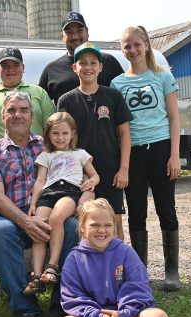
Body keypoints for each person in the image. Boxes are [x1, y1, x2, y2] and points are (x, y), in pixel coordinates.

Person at [0, 91, 79, 317]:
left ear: (32, 115)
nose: (17, 115)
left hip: (50, 213)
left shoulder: (48, 146)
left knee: (73, 227)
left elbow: (73, 174)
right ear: (3, 116)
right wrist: (26, 221)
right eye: (11, 110)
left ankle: (61, 308)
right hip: (12, 217)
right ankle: (27, 311)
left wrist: (86, 193)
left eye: (23, 110)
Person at [110, 26, 181, 291]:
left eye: (137, 44)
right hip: (134, 151)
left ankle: (172, 271)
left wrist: (175, 156)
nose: (132, 50)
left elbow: (174, 118)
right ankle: (140, 271)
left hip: (161, 148)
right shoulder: (118, 83)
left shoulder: (163, 76)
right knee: (137, 211)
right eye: (127, 46)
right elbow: (120, 127)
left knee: (166, 208)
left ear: (147, 45)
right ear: (122, 49)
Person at [54, 198, 169, 317]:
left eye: (108, 225)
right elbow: (73, 297)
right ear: (82, 227)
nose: (102, 230)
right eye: (94, 225)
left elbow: (137, 286)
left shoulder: (126, 252)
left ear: (114, 227)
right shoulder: (73, 259)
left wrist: (124, 315)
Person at [57, 42, 132, 241]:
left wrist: (123, 169)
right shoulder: (66, 100)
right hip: (79, 174)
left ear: (100, 67)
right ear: (75, 68)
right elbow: (62, 140)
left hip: (110, 171)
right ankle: (86, 269)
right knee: (83, 224)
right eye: (82, 63)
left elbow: (125, 134)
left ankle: (117, 270)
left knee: (113, 223)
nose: (88, 67)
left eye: (93, 63)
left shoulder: (113, 96)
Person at [23, 112, 99, 296]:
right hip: (49, 192)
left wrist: (91, 182)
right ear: (48, 134)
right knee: (39, 227)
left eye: (65, 133)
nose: (60, 138)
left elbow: (95, 174)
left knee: (56, 218)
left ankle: (53, 266)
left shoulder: (81, 154)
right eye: (55, 133)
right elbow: (40, 181)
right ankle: (37, 276)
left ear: (72, 133)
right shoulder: (46, 155)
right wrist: (33, 203)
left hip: (70, 192)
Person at [39, 11, 124, 105]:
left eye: (79, 30)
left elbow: (126, 93)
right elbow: (40, 107)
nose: (75, 36)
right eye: (69, 32)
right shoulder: (51, 70)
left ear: (87, 32)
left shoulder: (109, 61)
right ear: (62, 36)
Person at [0, 46, 55, 143]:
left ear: (23, 67)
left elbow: (52, 127)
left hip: (36, 156)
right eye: (5, 66)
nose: (10, 69)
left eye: (15, 65)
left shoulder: (40, 93)